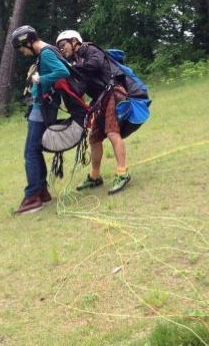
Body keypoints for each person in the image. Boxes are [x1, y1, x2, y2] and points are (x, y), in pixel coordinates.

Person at [56, 30, 135, 195]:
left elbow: (95, 64)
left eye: (63, 45)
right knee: (94, 138)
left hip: (113, 92)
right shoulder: (77, 64)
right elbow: (79, 89)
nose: (62, 50)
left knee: (112, 132)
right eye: (60, 48)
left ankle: (122, 173)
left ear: (74, 41)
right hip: (100, 99)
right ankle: (95, 176)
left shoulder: (90, 49)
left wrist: (71, 68)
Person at [11, 25, 70, 214]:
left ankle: (33, 196)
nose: (22, 52)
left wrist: (40, 79)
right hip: (41, 107)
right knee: (34, 151)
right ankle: (41, 192)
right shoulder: (45, 53)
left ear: (27, 42)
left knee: (30, 152)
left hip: (43, 108)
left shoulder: (45, 53)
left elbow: (63, 73)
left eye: (21, 48)